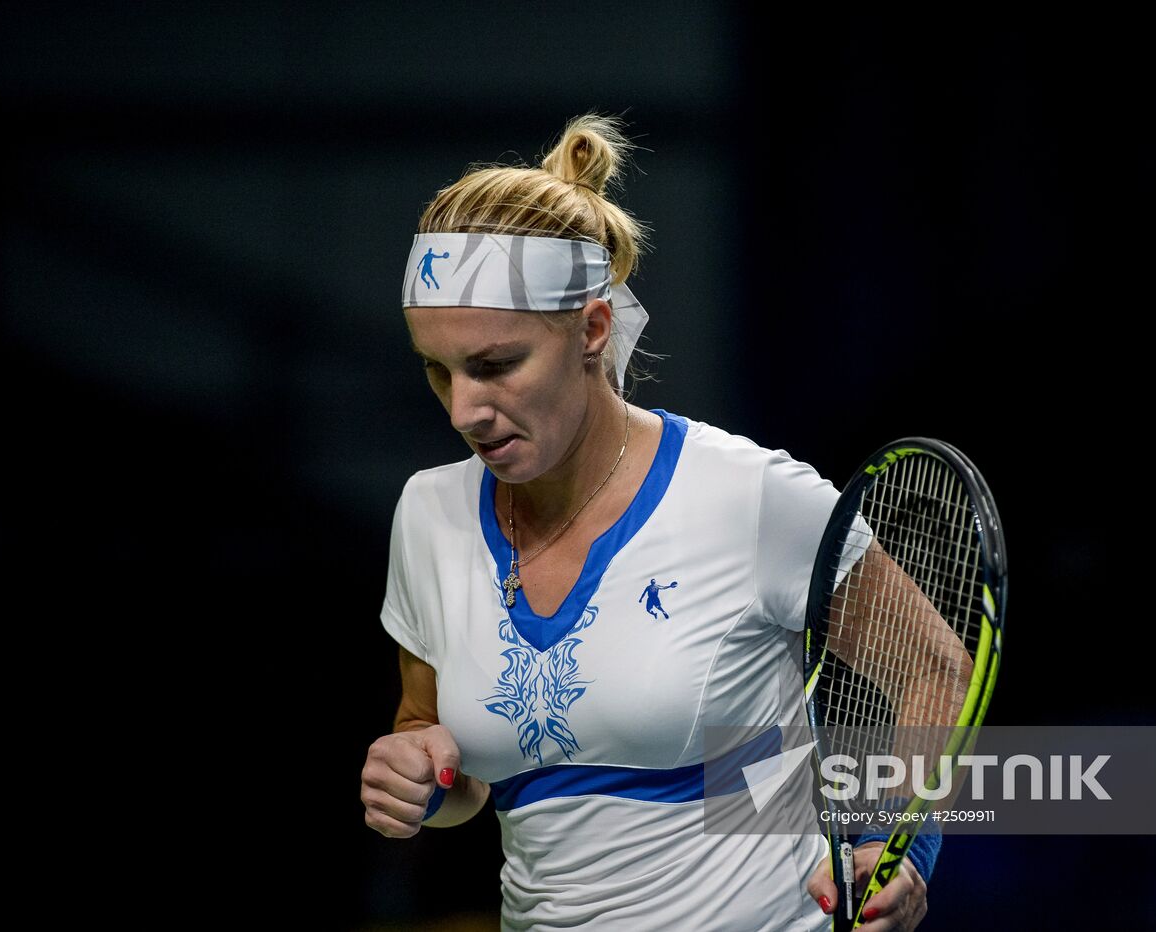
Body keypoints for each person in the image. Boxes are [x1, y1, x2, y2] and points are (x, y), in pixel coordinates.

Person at [359, 113, 934, 930]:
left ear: (593, 330)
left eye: (495, 366)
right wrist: (420, 777)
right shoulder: (427, 513)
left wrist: (902, 846)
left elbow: (932, 668)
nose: (464, 410)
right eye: (437, 370)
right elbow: (447, 760)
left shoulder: (752, 497)